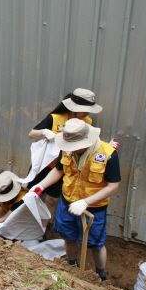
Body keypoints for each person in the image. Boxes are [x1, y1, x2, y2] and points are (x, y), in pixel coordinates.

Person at [30, 119, 120, 281]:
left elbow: (112, 186)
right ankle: (72, 265)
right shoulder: (66, 149)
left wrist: (86, 202)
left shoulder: (107, 154)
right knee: (68, 237)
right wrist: (41, 186)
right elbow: (58, 171)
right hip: (68, 203)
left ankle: (101, 275)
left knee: (96, 244)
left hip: (93, 209)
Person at [25, 88, 103, 227]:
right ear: (74, 107)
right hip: (44, 166)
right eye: (85, 108)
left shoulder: (87, 122)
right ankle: (22, 224)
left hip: (63, 167)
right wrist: (44, 132)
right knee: (30, 194)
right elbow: (32, 134)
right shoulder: (55, 118)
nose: (87, 112)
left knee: (52, 200)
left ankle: (41, 231)